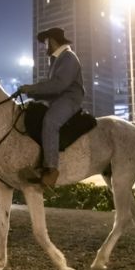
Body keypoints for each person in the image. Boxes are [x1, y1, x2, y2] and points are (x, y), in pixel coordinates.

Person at [17, 27, 84, 187]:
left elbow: (58, 85)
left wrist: (32, 89)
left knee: (50, 121)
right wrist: (32, 95)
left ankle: (52, 170)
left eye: (46, 42)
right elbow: (51, 88)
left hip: (69, 98)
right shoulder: (57, 59)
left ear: (52, 41)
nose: (45, 46)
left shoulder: (68, 58)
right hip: (58, 98)